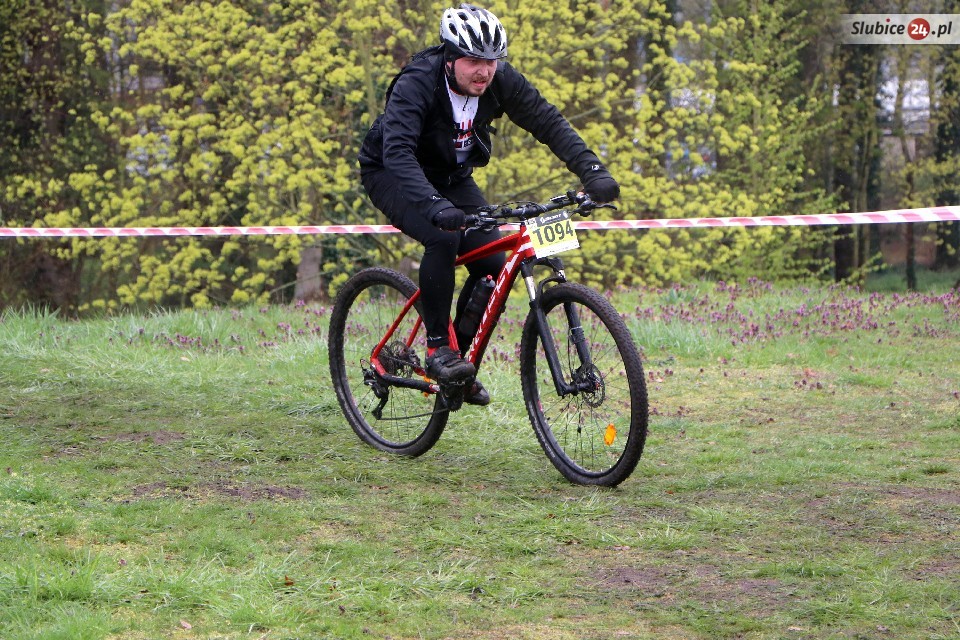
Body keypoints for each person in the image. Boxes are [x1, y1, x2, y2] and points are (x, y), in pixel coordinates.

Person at [358, 3, 620, 405]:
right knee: (443, 237)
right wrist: (434, 206)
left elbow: (547, 121)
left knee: (493, 263)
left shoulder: (500, 80)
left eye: (491, 61)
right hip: (392, 173)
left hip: (452, 177)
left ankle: (456, 368)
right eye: (474, 61)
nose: (484, 71)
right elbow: (397, 153)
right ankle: (437, 348)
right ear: (450, 58)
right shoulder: (418, 82)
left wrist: (593, 171)